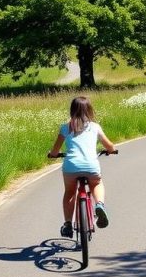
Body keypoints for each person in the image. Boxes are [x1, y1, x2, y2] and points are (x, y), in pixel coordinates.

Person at [47, 96, 117, 236]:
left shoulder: (66, 128)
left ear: (72, 110)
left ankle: (67, 223)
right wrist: (111, 150)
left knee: (70, 192)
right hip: (91, 165)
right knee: (97, 183)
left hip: (71, 166)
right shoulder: (94, 127)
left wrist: (53, 154)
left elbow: (55, 151)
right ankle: (99, 205)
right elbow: (109, 146)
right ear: (89, 110)